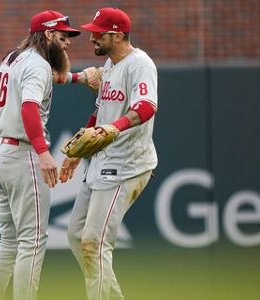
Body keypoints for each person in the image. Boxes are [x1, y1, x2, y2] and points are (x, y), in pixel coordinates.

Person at [60, 7, 158, 300]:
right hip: (102, 163)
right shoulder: (111, 64)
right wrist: (78, 152)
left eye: (97, 33)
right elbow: (101, 112)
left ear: (116, 34)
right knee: (77, 236)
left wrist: (114, 128)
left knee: (94, 242)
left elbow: (146, 106)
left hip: (127, 165)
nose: (92, 38)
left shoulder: (139, 64)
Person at [0, 10, 80, 300]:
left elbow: (50, 76)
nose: (68, 43)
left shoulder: (14, 56)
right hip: (22, 154)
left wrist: (77, 78)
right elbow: (29, 107)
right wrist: (43, 152)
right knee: (32, 242)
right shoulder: (37, 64)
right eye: (63, 36)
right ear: (48, 34)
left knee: (9, 243)